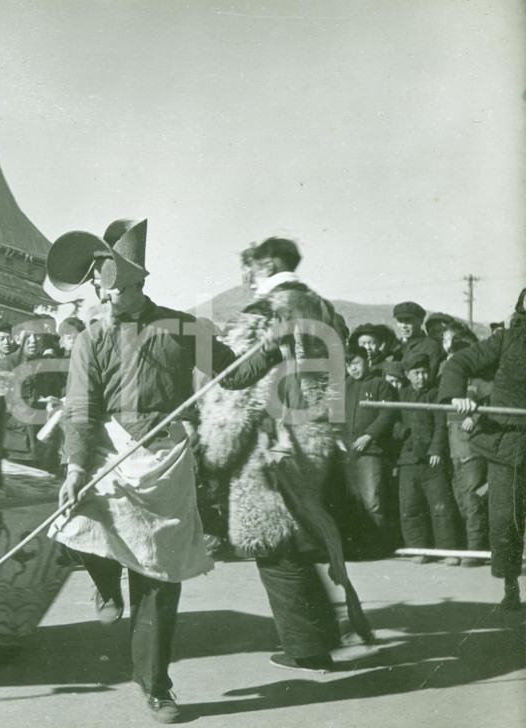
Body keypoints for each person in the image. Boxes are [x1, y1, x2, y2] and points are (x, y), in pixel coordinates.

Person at [49, 218, 275, 723]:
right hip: (110, 454)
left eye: (112, 295)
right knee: (71, 522)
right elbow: (80, 410)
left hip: (166, 461)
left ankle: (155, 687)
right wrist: (74, 467)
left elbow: (234, 375)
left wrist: (277, 346)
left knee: (155, 580)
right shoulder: (90, 340)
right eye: (98, 295)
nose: (104, 303)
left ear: (137, 286)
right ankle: (105, 583)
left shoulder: (182, 328)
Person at [199, 237, 370, 679]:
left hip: (272, 439)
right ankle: (322, 633)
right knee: (296, 535)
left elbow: (234, 379)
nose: (246, 278)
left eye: (250, 269)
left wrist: (218, 443)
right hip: (315, 432)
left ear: (266, 264)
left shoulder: (264, 313)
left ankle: (307, 648)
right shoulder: (324, 308)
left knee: (273, 542)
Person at [439, 288, 526, 610]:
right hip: (508, 441)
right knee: (506, 519)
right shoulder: (506, 339)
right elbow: (459, 362)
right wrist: (456, 396)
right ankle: (510, 584)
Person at [394, 353, 461, 564]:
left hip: (432, 462)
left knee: (440, 506)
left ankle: (447, 550)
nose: (421, 377)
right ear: (408, 375)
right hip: (408, 461)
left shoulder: (435, 395)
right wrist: (402, 431)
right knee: (410, 506)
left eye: (424, 372)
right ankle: (418, 548)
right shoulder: (401, 395)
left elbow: (441, 425)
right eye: (416, 373)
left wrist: (436, 450)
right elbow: (392, 422)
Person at [0, 314, 63, 473]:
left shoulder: (47, 368)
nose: (33, 341)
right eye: (28, 336)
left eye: (38, 336)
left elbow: (57, 395)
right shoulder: (6, 366)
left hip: (43, 446)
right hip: (13, 448)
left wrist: (55, 403)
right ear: (16, 339)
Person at [341, 344, 399, 557]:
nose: (353, 368)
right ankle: (356, 546)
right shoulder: (345, 386)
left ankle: (376, 548)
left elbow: (387, 414)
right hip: (347, 452)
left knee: (372, 500)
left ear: (367, 360)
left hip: (371, 451)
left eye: (356, 362)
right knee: (351, 501)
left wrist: (369, 436)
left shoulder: (380, 385)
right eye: (348, 364)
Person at [439, 325, 490, 566]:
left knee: (473, 498)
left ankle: (476, 549)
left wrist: (476, 416)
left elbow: (494, 402)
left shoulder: (481, 382)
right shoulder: (450, 382)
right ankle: (468, 546)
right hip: (454, 447)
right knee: (460, 497)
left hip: (473, 448)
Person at [392, 302, 445, 386]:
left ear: (420, 321)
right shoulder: (395, 346)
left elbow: (430, 379)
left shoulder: (430, 346)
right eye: (400, 320)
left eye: (408, 320)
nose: (403, 325)